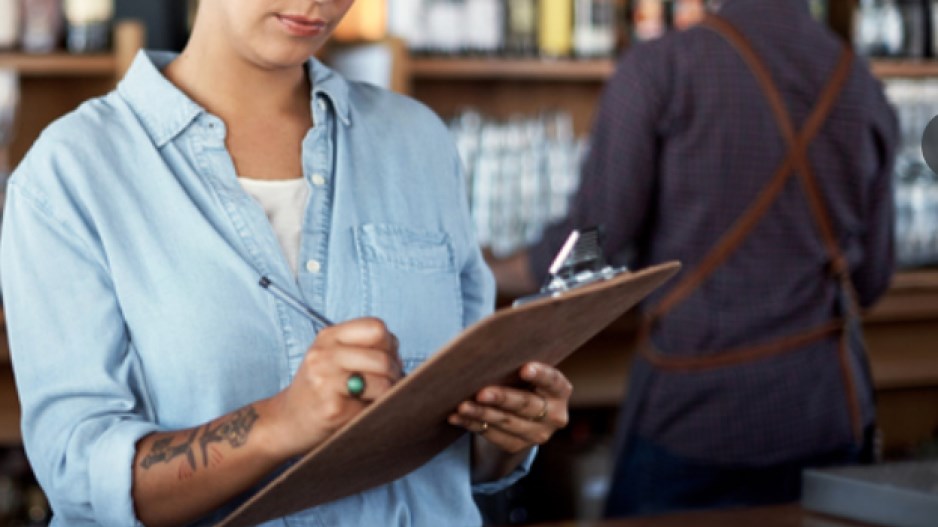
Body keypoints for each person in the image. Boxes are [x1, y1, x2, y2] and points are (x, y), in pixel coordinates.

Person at [0, 1, 573, 525]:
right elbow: (79, 479)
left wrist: (506, 435)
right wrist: (278, 424)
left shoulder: (418, 142)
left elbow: (459, 441)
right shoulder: (70, 175)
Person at [489, 0, 898, 518]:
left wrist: (487, 269)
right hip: (823, 411)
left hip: (695, 415)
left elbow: (587, 247)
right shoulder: (860, 85)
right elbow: (874, 278)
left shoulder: (661, 68)